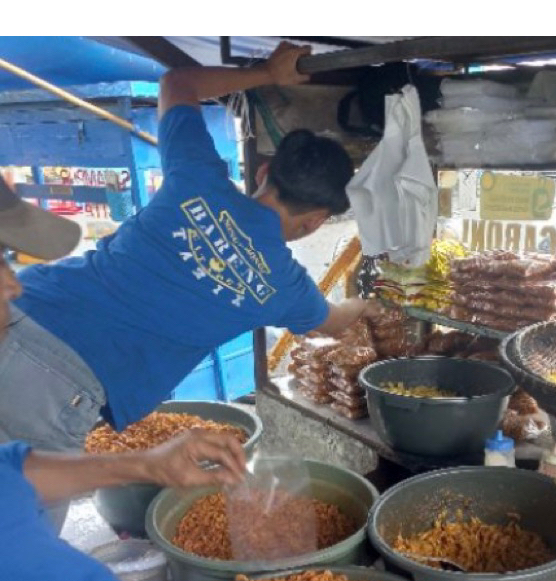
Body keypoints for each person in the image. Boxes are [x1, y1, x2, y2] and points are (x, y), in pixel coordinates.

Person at [0, 199, 381, 581]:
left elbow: (12, 474)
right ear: (313, 219)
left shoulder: (195, 180)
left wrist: (143, 464)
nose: (13, 287)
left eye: (7, 259)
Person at [0, 41, 379, 454]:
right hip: (57, 382)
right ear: (316, 221)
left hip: (21, 305)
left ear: (265, 171)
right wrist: (366, 306)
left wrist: (271, 72)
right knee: (21, 508)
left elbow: (176, 83)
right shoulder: (284, 287)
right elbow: (335, 322)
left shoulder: (195, 176)